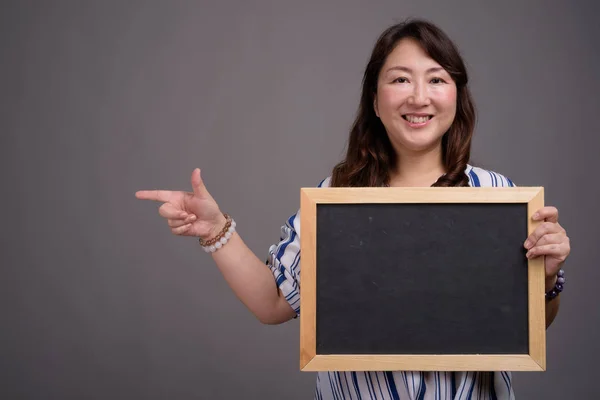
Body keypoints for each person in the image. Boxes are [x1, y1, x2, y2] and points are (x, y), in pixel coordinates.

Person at [136, 18, 570, 400]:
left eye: (437, 79)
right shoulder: (336, 198)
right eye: (400, 79)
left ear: (456, 96)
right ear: (376, 100)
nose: (419, 97)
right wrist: (215, 228)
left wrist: (545, 277)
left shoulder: (498, 195)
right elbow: (272, 303)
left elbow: (527, 326)